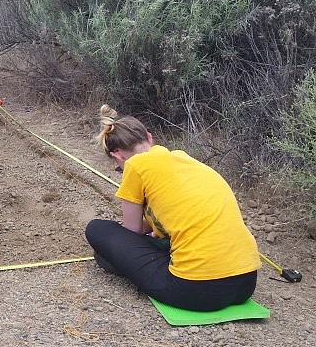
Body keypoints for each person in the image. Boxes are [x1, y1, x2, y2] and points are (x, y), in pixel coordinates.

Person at [84, 104, 261, 311]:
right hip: (246, 283)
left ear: (117, 156)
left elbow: (132, 231)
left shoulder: (135, 166)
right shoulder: (183, 159)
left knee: (97, 229)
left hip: (198, 291)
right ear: (150, 138)